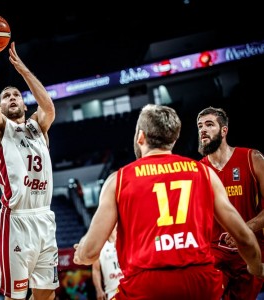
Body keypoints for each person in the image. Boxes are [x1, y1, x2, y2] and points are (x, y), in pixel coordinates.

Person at [73, 104, 264, 299]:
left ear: (140, 136)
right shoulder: (203, 172)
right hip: (200, 282)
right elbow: (244, 236)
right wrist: (256, 267)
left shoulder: (119, 180)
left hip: (147, 284)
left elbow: (90, 253)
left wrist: (80, 252)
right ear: (173, 139)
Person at [0, 25, 58, 300]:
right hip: (16, 221)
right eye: (6, 96)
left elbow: (49, 107)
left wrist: (23, 71)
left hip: (45, 216)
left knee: (46, 295)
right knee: (15, 297)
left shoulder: (38, 127)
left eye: (16, 95)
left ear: (23, 102)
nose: (11, 98)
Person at [197, 106, 264, 299]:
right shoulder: (198, 170)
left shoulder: (253, 159)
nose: (203, 130)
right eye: (200, 126)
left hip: (249, 251)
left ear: (224, 130)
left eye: (209, 125)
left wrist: (245, 228)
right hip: (215, 255)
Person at [91, 227, 123, 300]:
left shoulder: (125, 239)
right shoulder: (99, 246)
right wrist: (99, 290)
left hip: (129, 287)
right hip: (112, 291)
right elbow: (96, 270)